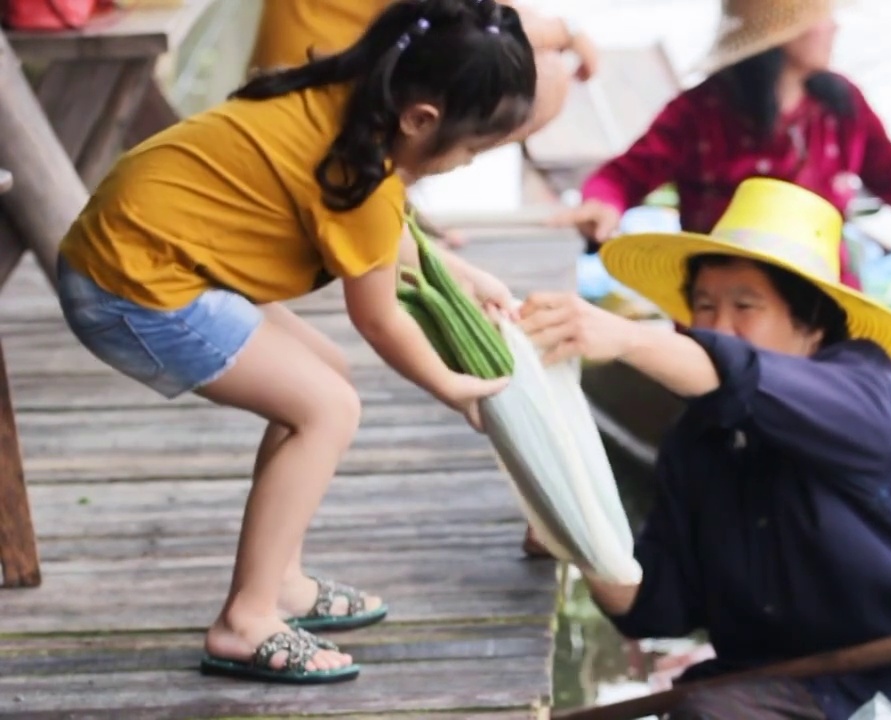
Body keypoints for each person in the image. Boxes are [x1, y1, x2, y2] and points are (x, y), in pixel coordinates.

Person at [54, 0, 535, 684]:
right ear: (421, 119)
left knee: (323, 371)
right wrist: (452, 385)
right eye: (472, 147)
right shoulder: (362, 172)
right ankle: (245, 620)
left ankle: (278, 581)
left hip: (135, 252)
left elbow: (380, 232)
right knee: (327, 409)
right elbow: (381, 318)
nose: (465, 163)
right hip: (131, 286)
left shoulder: (350, 101)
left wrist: (460, 272)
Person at [518, 178, 891, 719]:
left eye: (745, 306)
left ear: (812, 327)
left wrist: (629, 339)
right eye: (703, 307)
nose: (718, 327)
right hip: (805, 689)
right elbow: (657, 607)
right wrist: (579, 539)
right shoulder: (695, 441)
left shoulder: (865, 389)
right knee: (704, 711)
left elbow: (742, 375)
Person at [554, 0, 891, 289]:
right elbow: (623, 176)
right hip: (725, 316)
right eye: (819, 15)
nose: (833, 26)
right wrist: (604, 205)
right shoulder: (701, 112)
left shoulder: (841, 107)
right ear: (781, 35)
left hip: (830, 304)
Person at [250, 0, 600, 248]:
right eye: (471, 151)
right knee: (548, 75)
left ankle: (394, 198)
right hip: (342, 87)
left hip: (310, 75)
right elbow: (478, 31)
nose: (470, 160)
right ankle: (379, 203)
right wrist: (568, 30)